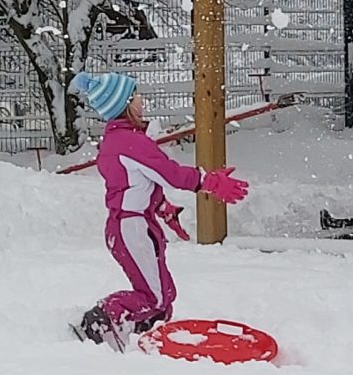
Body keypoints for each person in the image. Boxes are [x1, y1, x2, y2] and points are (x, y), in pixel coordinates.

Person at [70, 71, 248, 347]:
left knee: (164, 294)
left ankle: (144, 332)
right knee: (152, 296)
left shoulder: (121, 141)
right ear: (124, 104)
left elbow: (134, 183)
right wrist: (208, 181)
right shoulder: (129, 143)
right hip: (131, 228)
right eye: (136, 95)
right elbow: (168, 173)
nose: (142, 100)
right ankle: (101, 319)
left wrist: (163, 207)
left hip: (135, 225)